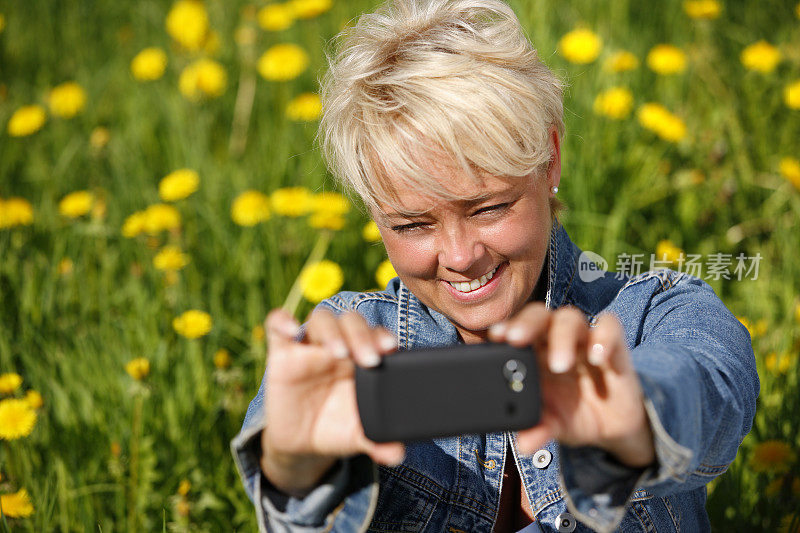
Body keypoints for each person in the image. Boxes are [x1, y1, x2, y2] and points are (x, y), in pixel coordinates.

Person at [231, 0, 759, 531]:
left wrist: (635, 413)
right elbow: (292, 487)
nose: (460, 256)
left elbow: (712, 386)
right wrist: (297, 466)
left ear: (549, 157)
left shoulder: (655, 315)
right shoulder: (345, 344)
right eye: (413, 224)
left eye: (488, 208)